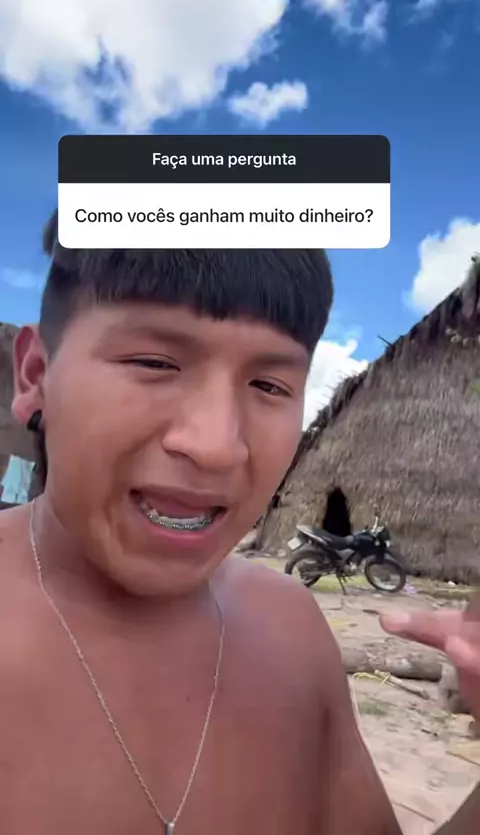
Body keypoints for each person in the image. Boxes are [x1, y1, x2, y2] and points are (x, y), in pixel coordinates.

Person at [0, 211, 478, 834]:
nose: (216, 445)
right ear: (36, 375)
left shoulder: (290, 627)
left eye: (269, 385)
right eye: (155, 362)